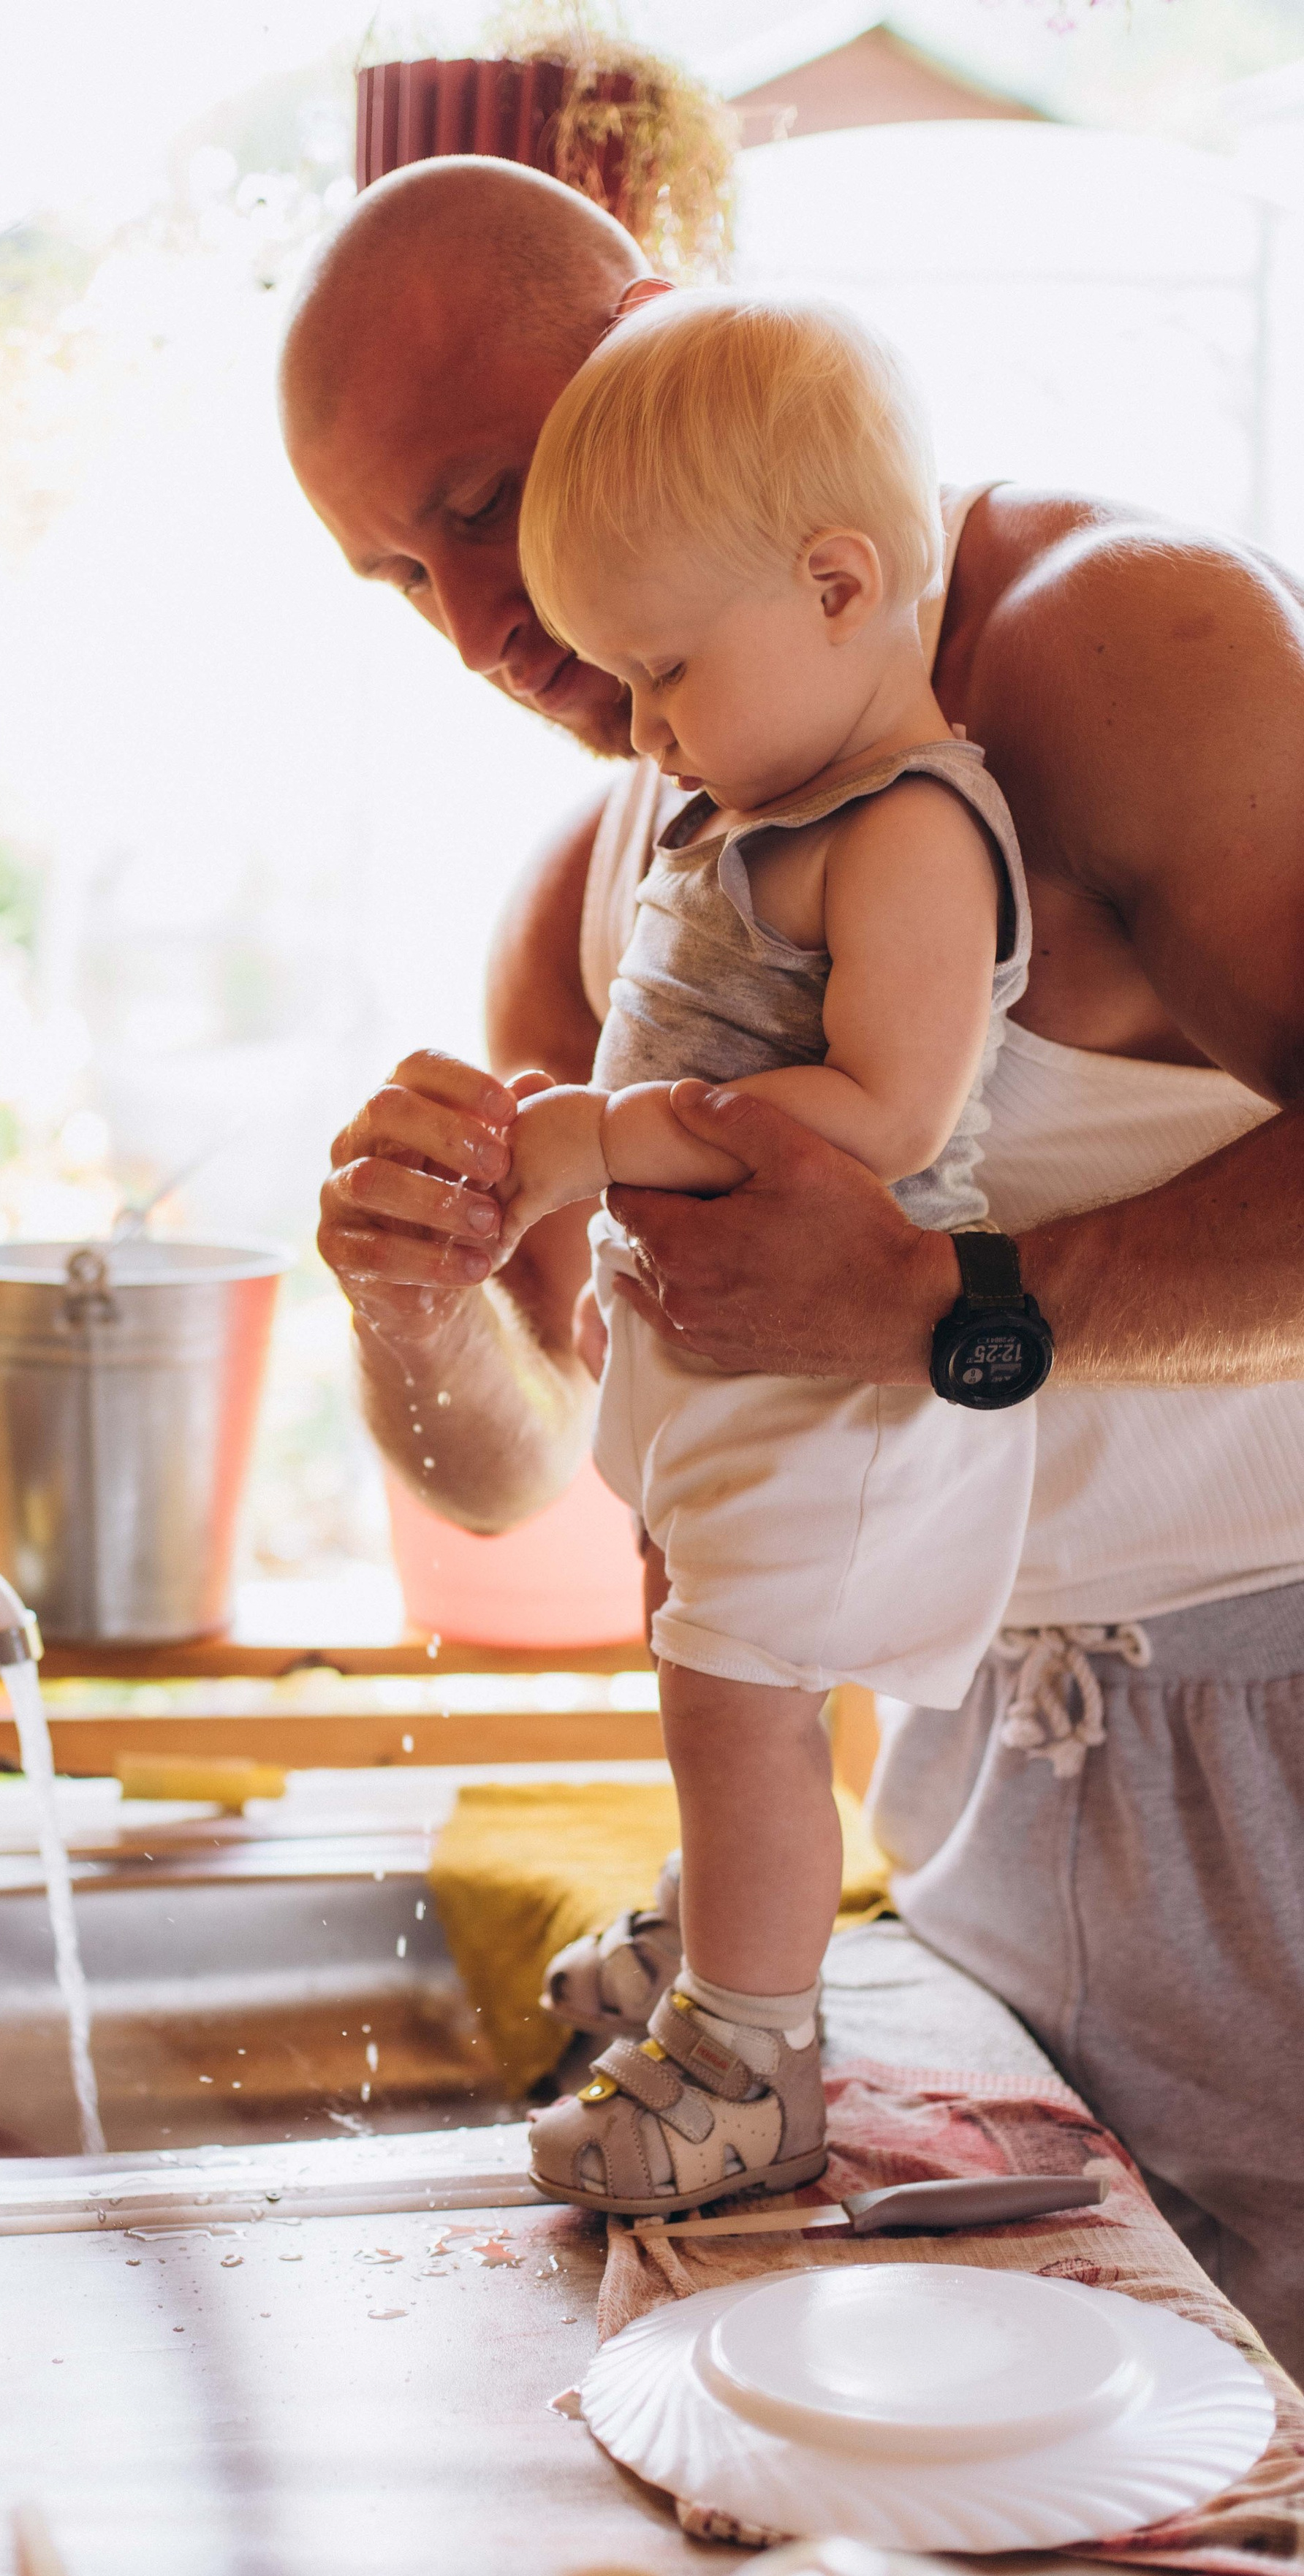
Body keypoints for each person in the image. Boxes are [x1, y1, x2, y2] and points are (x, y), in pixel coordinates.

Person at [280, 157, 1304, 2355]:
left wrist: (969, 1311)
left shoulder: (1126, 643)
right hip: (968, 1797)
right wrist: (414, 1294)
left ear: (666, 328)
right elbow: (514, 1471)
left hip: (1288, 1745)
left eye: (483, 497)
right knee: (1134, 2573)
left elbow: (924, 1303)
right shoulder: (608, 877)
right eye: (397, 573)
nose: (475, 618)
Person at [490, 291, 1034, 2211]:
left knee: (740, 1691)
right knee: (702, 1661)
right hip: (737, 1385)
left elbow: (886, 1111)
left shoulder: (907, 836)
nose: (639, 729)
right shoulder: (761, 812)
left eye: (659, 672)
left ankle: (755, 2059)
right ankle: (730, 1929)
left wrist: (595, 1141)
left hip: (844, 1393)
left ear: (836, 584)